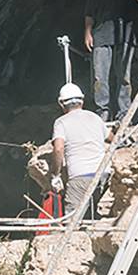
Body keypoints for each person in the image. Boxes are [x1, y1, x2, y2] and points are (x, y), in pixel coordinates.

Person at [83, 0, 138, 122]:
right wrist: (87, 32)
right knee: (100, 76)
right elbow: (89, 11)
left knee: (123, 76)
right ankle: (102, 112)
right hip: (101, 35)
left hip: (125, 35)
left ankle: (124, 112)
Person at [49, 83, 108, 214]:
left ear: (61, 104)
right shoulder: (96, 118)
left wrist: (55, 175)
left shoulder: (61, 122)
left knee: (72, 219)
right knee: (96, 217)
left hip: (80, 176)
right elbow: (112, 138)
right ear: (82, 100)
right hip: (103, 174)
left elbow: (58, 149)